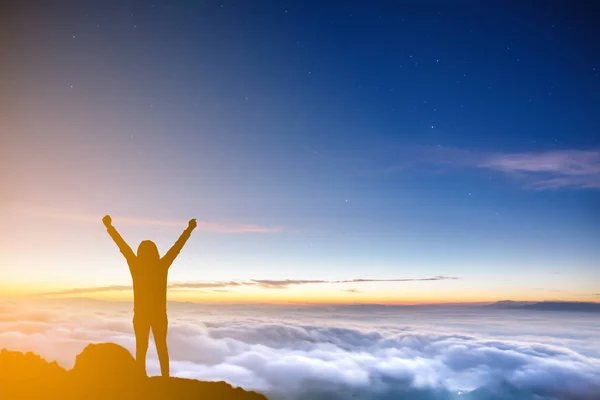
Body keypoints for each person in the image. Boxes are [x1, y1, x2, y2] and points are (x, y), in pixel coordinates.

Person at [102, 214, 197, 378]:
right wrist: (189, 229)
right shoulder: (161, 265)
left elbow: (122, 246)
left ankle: (141, 379)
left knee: (142, 347)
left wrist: (109, 227)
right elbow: (177, 247)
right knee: (161, 347)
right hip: (158, 315)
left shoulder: (136, 265)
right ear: (156, 252)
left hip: (141, 315)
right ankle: (165, 379)